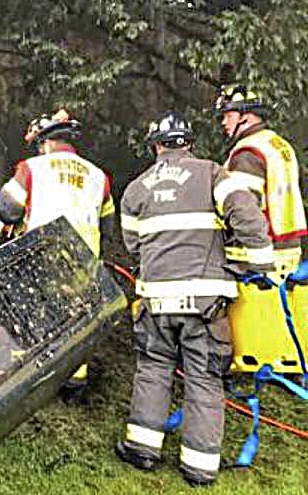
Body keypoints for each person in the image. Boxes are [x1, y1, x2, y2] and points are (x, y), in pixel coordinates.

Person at [115, 111, 272, 486]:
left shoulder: (136, 189)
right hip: (205, 302)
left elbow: (133, 245)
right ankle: (200, 466)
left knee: (153, 368)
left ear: (155, 146)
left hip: (155, 300)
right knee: (204, 377)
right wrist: (260, 262)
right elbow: (246, 214)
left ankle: (142, 448)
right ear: (189, 143)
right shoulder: (213, 174)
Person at [0, 109, 114, 397]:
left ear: (46, 142)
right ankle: (73, 383)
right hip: (84, 262)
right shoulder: (98, 176)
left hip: (40, 256)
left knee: (27, 311)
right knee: (75, 318)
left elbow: (7, 209)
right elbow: (108, 224)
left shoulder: (32, 168)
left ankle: (23, 379)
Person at [214, 84, 307, 272]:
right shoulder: (278, 144)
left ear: (245, 117)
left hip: (258, 255)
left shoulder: (248, 152)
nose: (224, 122)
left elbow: (243, 208)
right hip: (290, 248)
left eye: (228, 115)